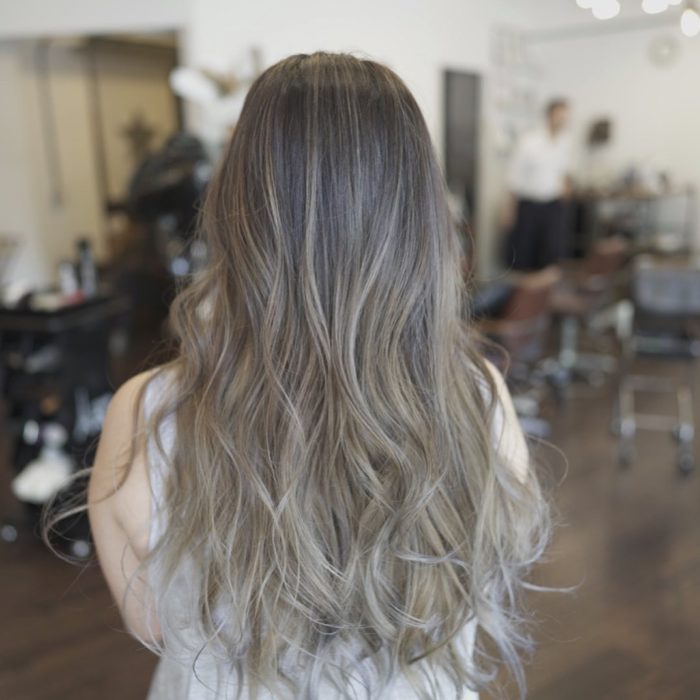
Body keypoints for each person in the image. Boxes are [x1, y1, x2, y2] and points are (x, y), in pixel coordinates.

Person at [79, 53, 550, 699]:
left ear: (234, 204)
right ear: (419, 214)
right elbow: (483, 585)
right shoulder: (479, 400)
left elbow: (156, 623)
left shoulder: (146, 414)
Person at [502, 98, 573, 271]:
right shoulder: (529, 141)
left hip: (553, 205)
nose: (562, 120)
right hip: (529, 205)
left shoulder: (565, 142)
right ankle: (525, 294)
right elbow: (514, 177)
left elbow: (565, 171)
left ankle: (545, 293)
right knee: (525, 252)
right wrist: (509, 210)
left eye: (565, 117)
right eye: (559, 116)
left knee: (551, 252)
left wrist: (566, 188)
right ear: (549, 115)